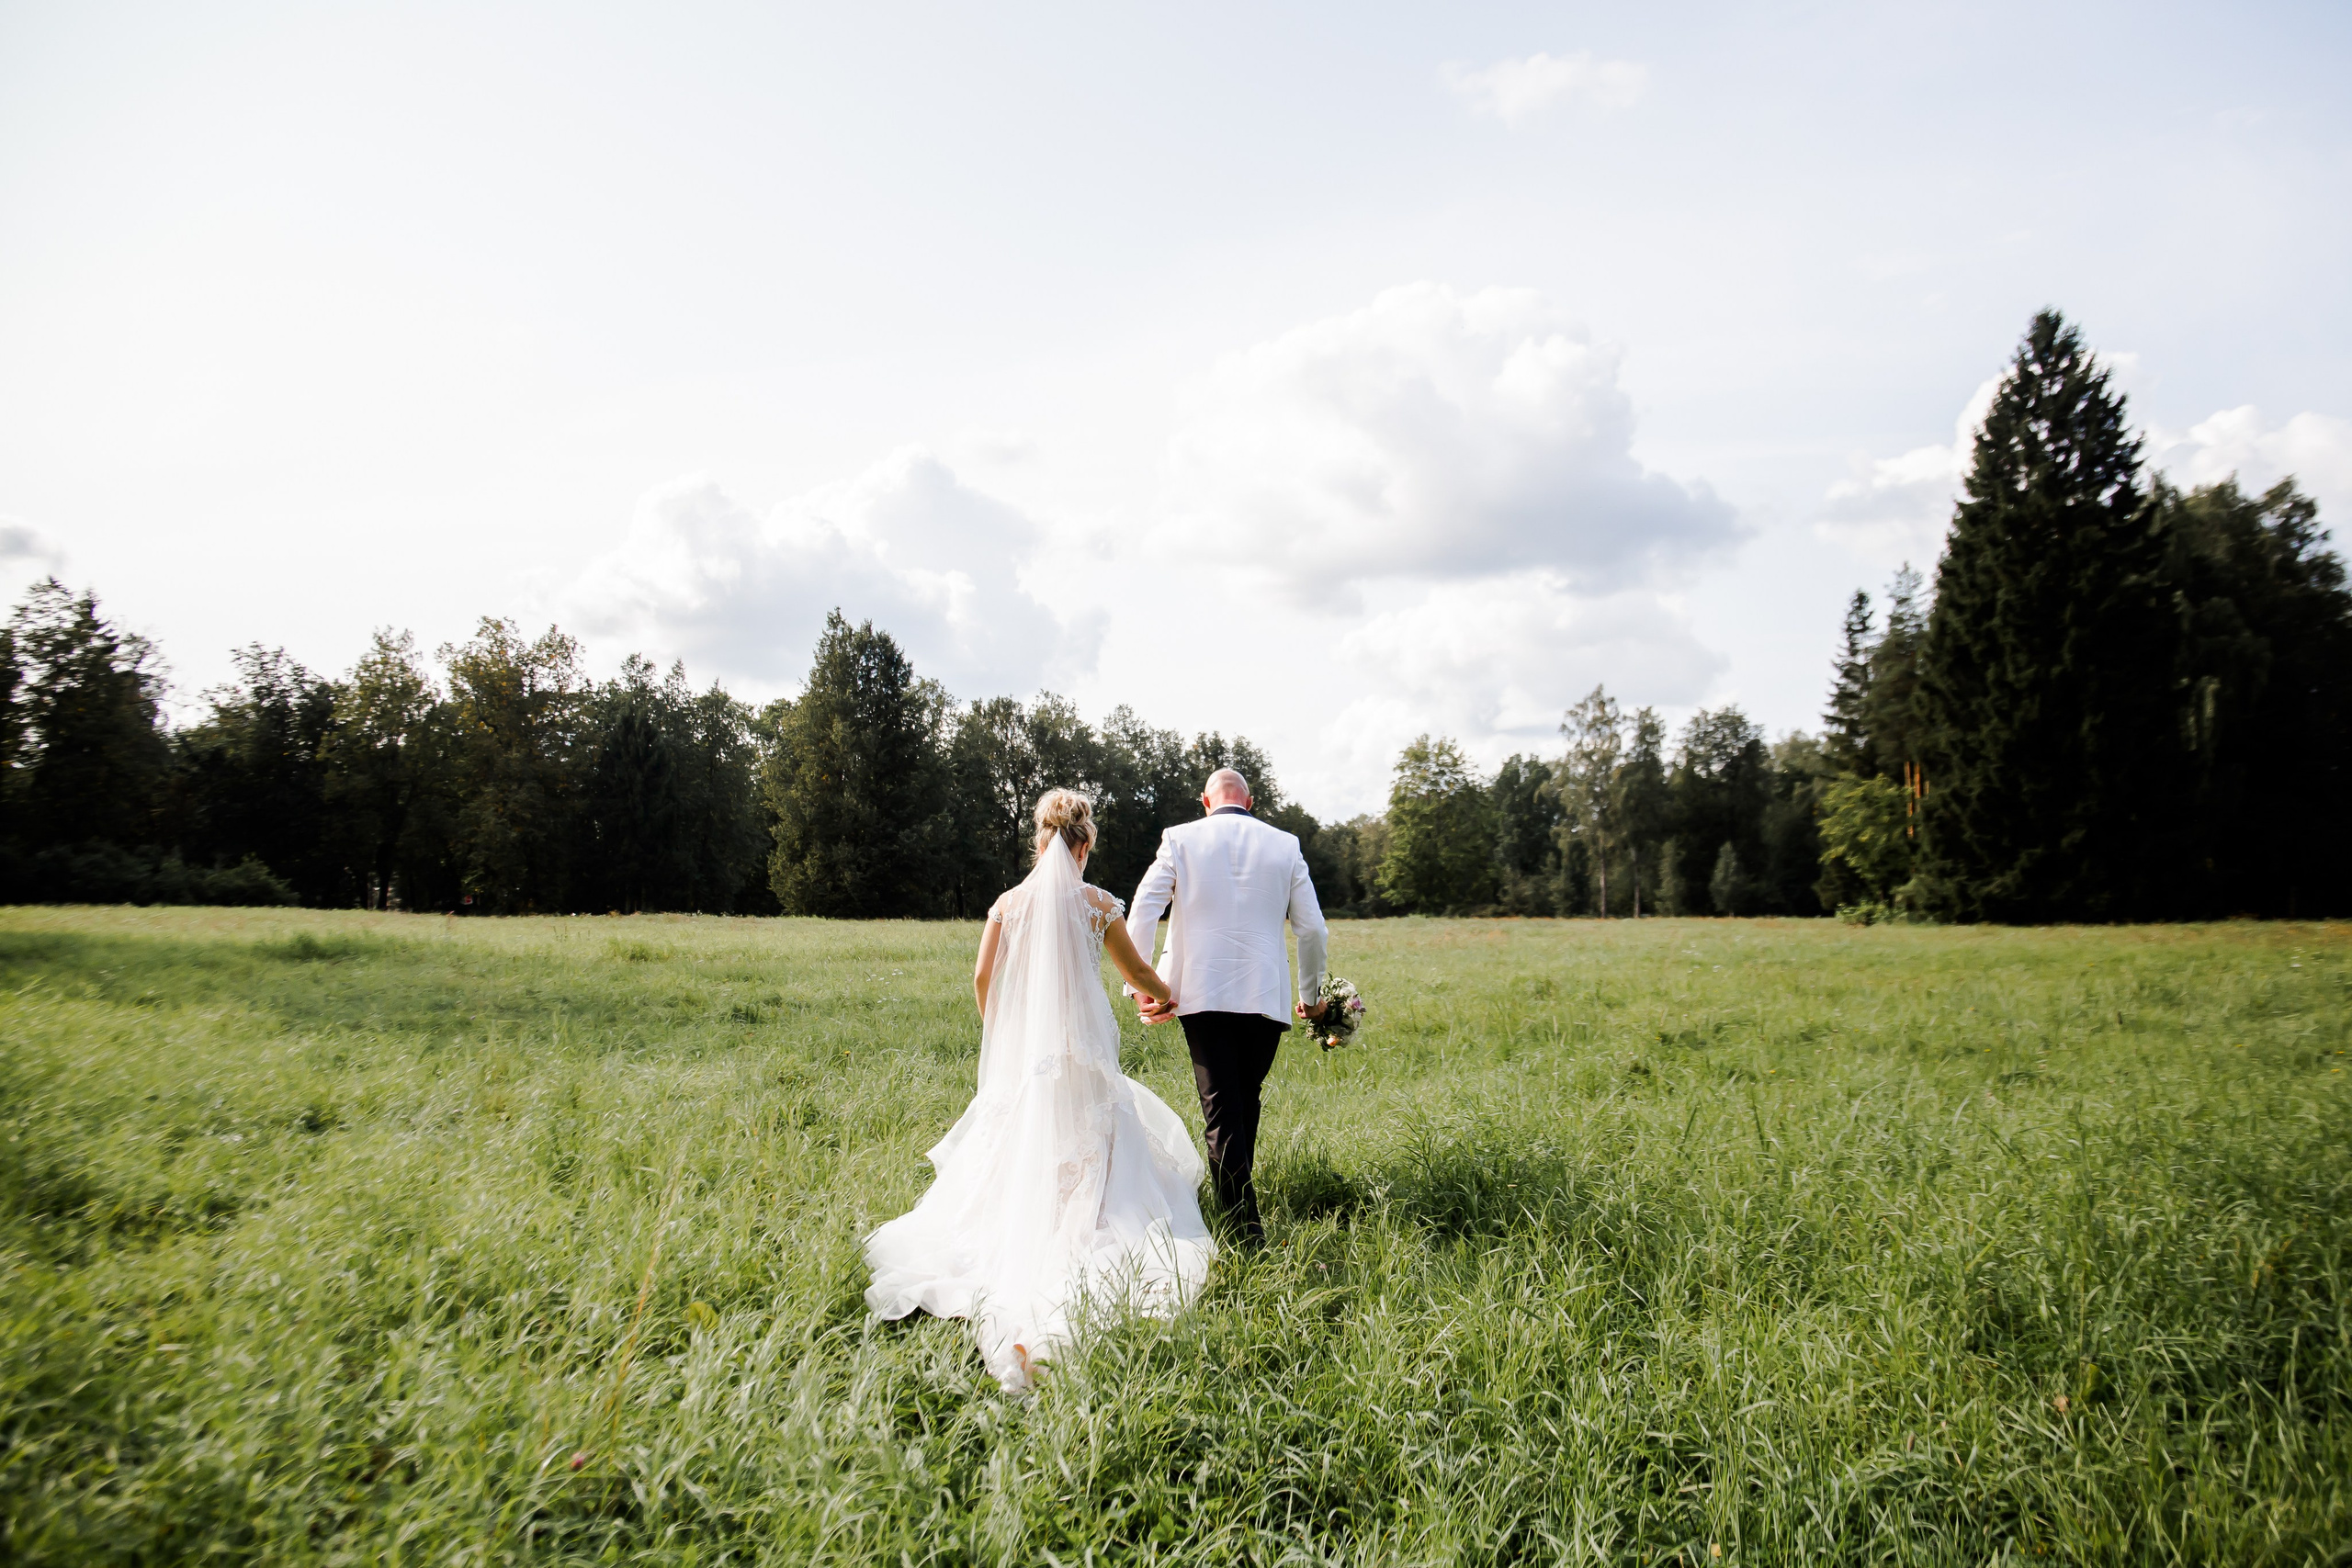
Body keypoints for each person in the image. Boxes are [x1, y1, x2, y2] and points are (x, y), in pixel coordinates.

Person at [863, 789, 1215, 1392]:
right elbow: (1135, 973)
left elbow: (982, 977)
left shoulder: (1008, 903)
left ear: (1041, 839)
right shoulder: (1097, 903)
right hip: (1083, 1065)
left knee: (1018, 1158)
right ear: (1084, 844)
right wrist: (1171, 993)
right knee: (1100, 1168)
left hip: (1029, 1063)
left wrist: (1004, 1036)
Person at [1125, 768, 1328, 1246]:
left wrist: (1142, 987)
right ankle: (1242, 1215)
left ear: (1205, 801)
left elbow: (1143, 909)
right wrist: (1311, 998)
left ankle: (1242, 1229)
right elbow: (1314, 929)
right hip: (1265, 992)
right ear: (1251, 802)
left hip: (1199, 990)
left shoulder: (1179, 839)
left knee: (1223, 1108)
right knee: (1243, 1101)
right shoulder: (1286, 845)